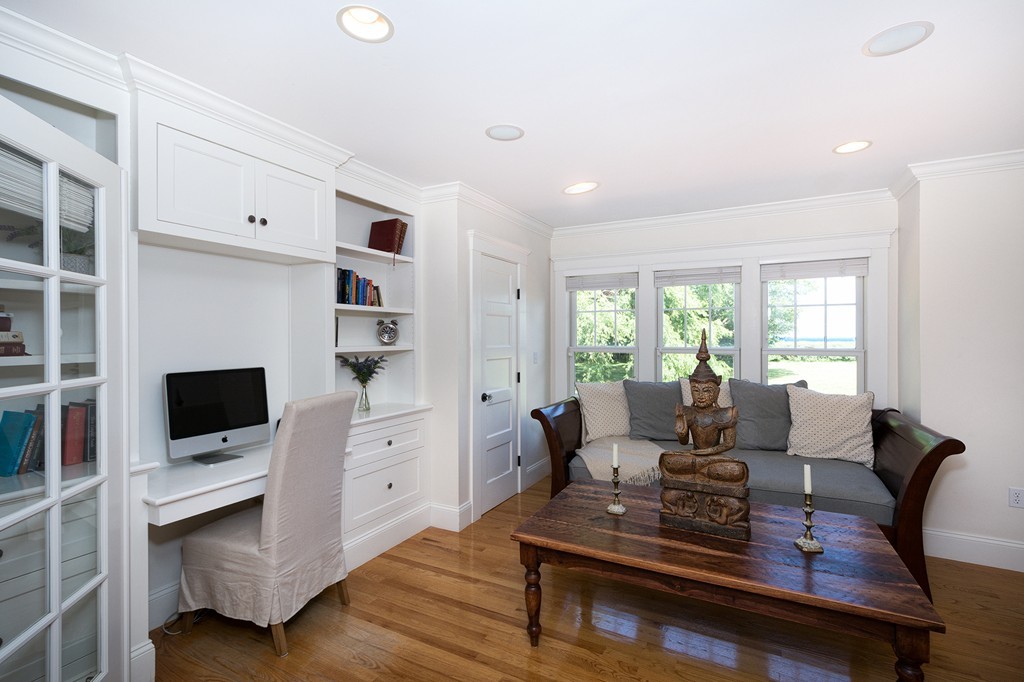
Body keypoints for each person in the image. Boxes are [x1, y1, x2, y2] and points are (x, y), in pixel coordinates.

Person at [674, 329, 738, 456]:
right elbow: (684, 443)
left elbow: (729, 443)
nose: (701, 396)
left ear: (716, 392)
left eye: (707, 390)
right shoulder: (686, 412)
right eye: (696, 391)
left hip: (714, 457)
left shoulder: (726, 414)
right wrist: (681, 434)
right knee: (669, 460)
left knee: (734, 469)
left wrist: (708, 451)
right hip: (695, 456)